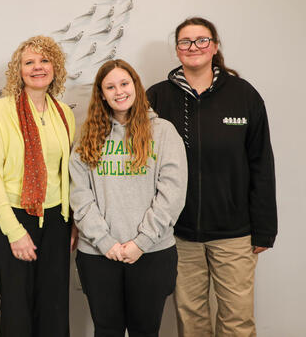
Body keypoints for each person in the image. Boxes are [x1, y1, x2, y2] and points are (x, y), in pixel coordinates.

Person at [147, 17, 277, 337]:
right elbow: (143, 165)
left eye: (202, 40)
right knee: (191, 319)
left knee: (237, 321)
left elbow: (261, 164)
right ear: (177, 51)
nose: (194, 47)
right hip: (179, 232)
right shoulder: (157, 98)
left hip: (234, 233)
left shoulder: (244, 96)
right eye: (185, 42)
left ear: (215, 46)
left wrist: (264, 230)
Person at [69, 59, 187, 337]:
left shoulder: (163, 132)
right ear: (101, 93)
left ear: (136, 86)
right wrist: (105, 242)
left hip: (152, 253)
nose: (119, 91)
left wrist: (141, 242)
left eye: (124, 83)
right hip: (98, 254)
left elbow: (173, 194)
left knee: (145, 331)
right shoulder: (87, 135)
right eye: (110, 86)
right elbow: (79, 195)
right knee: (106, 329)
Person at [0, 35, 76, 337]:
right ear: (18, 70)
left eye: (45, 60)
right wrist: (14, 231)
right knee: (18, 311)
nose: (38, 67)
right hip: (14, 218)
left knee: (54, 307)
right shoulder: (1, 110)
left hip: (56, 223)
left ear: (55, 67)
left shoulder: (65, 113)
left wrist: (72, 220)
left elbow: (68, 173)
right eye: (29, 62)